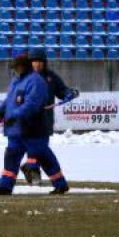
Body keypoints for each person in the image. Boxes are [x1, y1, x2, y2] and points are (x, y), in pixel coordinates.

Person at [0, 54, 70, 196]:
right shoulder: (16, 81)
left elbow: (32, 104)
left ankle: (60, 184)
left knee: (43, 157)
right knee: (11, 157)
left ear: (25, 67)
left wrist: (15, 116)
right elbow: (10, 100)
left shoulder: (36, 82)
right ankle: (5, 186)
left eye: (18, 67)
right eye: (15, 68)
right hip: (15, 130)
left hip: (32, 128)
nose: (16, 70)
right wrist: (0, 111)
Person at [21, 48, 79, 186]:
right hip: (28, 121)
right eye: (34, 62)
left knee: (41, 149)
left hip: (45, 121)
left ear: (44, 63)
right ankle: (34, 172)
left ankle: (30, 169)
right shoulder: (23, 79)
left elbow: (62, 90)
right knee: (35, 146)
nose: (37, 65)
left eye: (40, 62)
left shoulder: (51, 78)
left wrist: (69, 93)